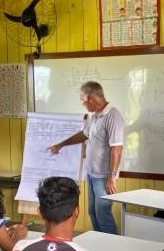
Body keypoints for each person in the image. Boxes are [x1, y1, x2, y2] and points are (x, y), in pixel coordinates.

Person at [46, 81, 125, 234]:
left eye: (83, 100)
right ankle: (100, 243)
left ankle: (112, 248)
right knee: (92, 212)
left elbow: (117, 149)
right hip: (91, 173)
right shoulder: (93, 116)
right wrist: (61, 144)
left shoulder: (113, 116)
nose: (82, 103)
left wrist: (112, 177)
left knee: (103, 214)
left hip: (104, 177)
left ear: (91, 98)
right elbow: (84, 135)